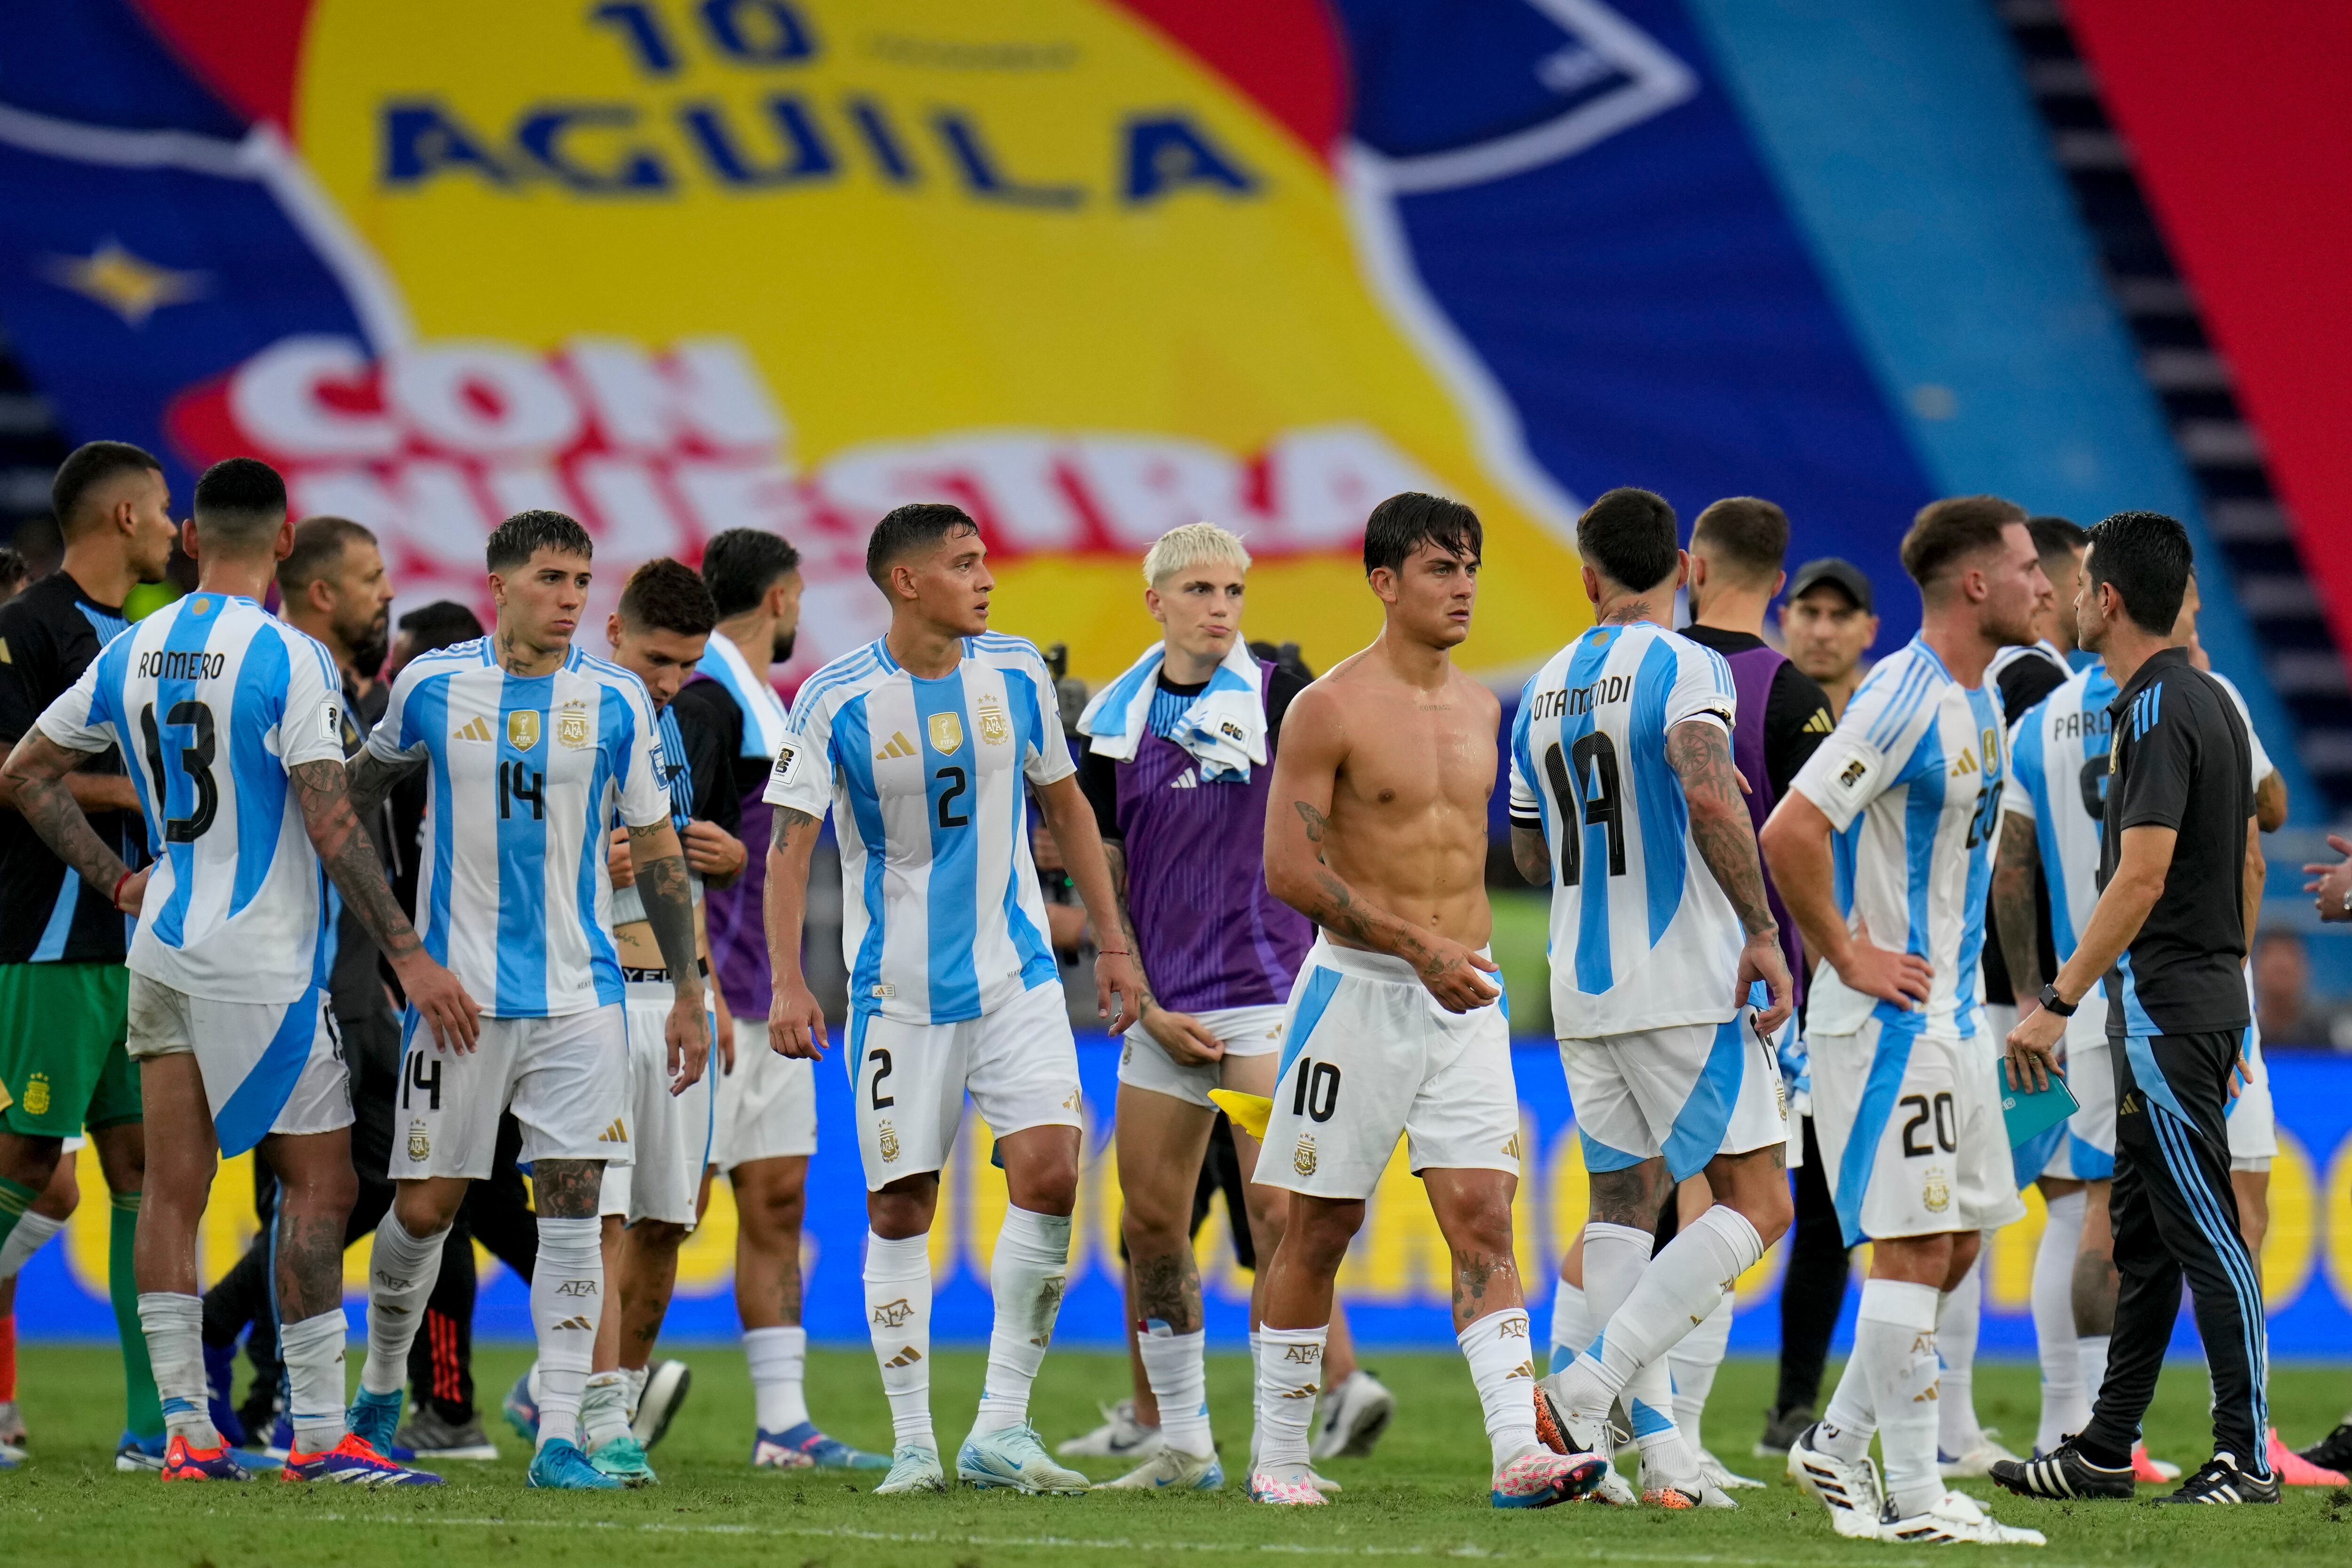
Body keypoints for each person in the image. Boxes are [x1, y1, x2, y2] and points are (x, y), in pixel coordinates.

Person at [0, 456, 469, 1484]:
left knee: (170, 1184)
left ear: (193, 540)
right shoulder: (286, 655)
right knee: (322, 1182)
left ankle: (184, 1433)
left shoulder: (135, 645)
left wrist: (118, 884)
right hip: (262, 959)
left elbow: (23, 771)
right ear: (287, 542)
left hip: (159, 941)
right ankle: (313, 1437)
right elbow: (329, 812)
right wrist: (408, 951)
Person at [763, 501, 1142, 1496]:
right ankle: (915, 1445)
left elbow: (1063, 803)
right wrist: (790, 980)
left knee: (1054, 1174)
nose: (985, 579)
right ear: (905, 581)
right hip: (897, 994)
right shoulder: (835, 699)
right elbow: (790, 846)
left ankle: (1002, 1427)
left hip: (1015, 977)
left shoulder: (1014, 671)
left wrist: (1113, 941)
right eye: (965, 564)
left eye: (985, 561)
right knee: (901, 1205)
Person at [341, 509, 710, 1491]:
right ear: (497, 583)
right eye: (551, 578)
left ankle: (559, 1435)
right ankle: (380, 1389)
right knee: (423, 1209)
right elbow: (347, 800)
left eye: (583, 581)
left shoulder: (619, 703)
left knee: (576, 1209)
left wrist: (685, 991)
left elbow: (661, 847)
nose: (570, 599)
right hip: (456, 1001)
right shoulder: (428, 685)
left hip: (579, 997)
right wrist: (405, 953)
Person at [1248, 491, 1597, 1512]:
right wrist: (1413, 944)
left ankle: (1515, 1452)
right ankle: (1280, 1450)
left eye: (1473, 569)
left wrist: (1458, 954)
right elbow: (1286, 869)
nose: (1463, 589)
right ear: (1384, 582)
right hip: (1358, 994)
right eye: (1442, 569)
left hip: (1467, 997)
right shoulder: (1331, 707)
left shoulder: (1490, 705)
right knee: (1319, 1227)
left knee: (1483, 1216)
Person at [1761, 494, 2048, 1546]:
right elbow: (1789, 827)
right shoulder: (1901, 695)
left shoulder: (1980, 701)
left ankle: (1835, 1447)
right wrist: (1847, 951)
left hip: (1953, 1022)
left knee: (1957, 1245)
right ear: (1975, 583)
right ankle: (1916, 1500)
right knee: (1915, 1245)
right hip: (1885, 1025)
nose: (2041, 584)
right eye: (2023, 566)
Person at [1511, 488, 1795, 1511]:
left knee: (1623, 1209)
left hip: (1581, 985)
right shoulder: (1688, 664)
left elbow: (1529, 844)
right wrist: (1762, 932)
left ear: (1588, 575)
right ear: (1683, 565)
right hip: (1684, 978)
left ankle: (1651, 1457)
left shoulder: (1543, 684)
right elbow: (1707, 781)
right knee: (1758, 1201)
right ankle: (1582, 1395)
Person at [1989, 511, 2273, 1506]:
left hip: (2161, 1007)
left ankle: (2243, 1453)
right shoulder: (2206, 699)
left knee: (2203, 1230)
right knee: (2147, 1239)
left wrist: (2055, 999)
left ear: (2106, 600)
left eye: (2077, 587)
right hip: (2185, 1001)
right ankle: (2105, 1444)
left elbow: (2143, 874)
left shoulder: (2152, 707)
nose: (2065, 600)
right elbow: (2245, 851)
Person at [1067, 522, 1315, 1492]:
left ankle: (1278, 1446)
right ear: (1157, 602)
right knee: (1150, 1227)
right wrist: (1138, 985)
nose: (1221, 607)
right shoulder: (1111, 724)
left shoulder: (1280, 699)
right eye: (1202, 589)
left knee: (1277, 1218)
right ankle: (1183, 1441)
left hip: (1265, 1008)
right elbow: (1107, 869)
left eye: (1235, 590)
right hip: (1165, 1017)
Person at [532, 558, 742, 1484]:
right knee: (604, 1213)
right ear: (610, 630)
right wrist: (584, 860)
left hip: (675, 992)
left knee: (670, 1213)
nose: (668, 680)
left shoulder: (672, 730)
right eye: (656, 657)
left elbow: (681, 870)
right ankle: (598, 1413)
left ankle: (598, 1388)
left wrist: (705, 982)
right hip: (596, 994)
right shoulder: (567, 714)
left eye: (685, 665)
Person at [671, 528, 867, 1469]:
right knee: (672, 1211)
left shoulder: (759, 701)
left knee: (777, 1197)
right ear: (783, 596)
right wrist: (697, 982)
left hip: (767, 991)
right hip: (715, 995)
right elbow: (670, 847)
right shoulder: (711, 703)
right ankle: (571, 1381)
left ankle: (783, 1424)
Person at [0, 441, 175, 1470]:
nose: (170, 527)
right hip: (52, 934)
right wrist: (152, 797)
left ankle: (152, 1428)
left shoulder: (153, 638)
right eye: (159, 511)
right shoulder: (24, 629)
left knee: (140, 1172)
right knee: (26, 1161)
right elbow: (16, 775)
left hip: (139, 939)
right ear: (120, 518)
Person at [1652, 495, 1832, 1481]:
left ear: (1694, 567)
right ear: (1779, 574)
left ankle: (1658, 1426)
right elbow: (1817, 847)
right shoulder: (1792, 694)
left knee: (1663, 1202)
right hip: (1753, 988)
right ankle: (1660, 1421)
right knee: (1734, 1206)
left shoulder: (1645, 679)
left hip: (1638, 973)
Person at [1757, 558, 1883, 1461]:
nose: (1825, 627)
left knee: (1830, 1212)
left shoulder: (1885, 719)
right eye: (1810, 610)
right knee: (1699, 1193)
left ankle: (1792, 1406)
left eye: (1843, 613)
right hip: (1765, 990)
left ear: (1867, 628)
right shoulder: (1761, 713)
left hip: (1855, 989)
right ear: (1785, 617)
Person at [1778, 559, 1879, 720]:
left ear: (1870, 631)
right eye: (1810, 613)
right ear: (1784, 621)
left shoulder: (1886, 736)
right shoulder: (1746, 720)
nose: (1822, 634)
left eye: (1841, 616)